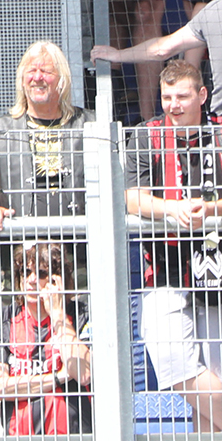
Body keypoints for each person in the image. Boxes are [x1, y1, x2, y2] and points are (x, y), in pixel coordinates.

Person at [125, 60, 222, 428]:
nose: (173, 105)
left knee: (212, 383)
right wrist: (172, 208)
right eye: (167, 97)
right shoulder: (146, 136)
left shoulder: (219, 133)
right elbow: (132, 199)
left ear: (202, 95)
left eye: (182, 96)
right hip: (163, 273)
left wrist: (210, 209)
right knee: (175, 366)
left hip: (216, 276)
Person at [0, 40, 90, 289]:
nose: (37, 78)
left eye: (46, 71)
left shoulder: (88, 125)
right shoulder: (1, 130)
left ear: (62, 79)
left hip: (78, 258)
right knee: (20, 316)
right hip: (20, 259)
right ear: (22, 80)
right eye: (31, 71)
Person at [0, 240, 93, 435]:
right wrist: (58, 378)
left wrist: (58, 315)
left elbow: (84, 374)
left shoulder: (80, 314)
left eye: (41, 273)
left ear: (58, 279)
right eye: (25, 272)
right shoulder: (4, 317)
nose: (32, 280)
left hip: (72, 435)